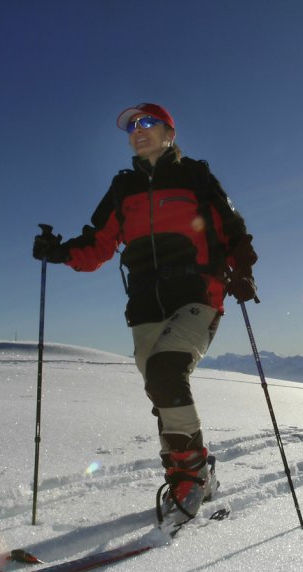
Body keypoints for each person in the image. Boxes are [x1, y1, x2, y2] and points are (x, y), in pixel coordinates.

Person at [32, 102, 258, 530]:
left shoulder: (195, 176)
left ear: (169, 133)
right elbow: (98, 244)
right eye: (132, 126)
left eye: (148, 122)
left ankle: (189, 477)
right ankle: (197, 474)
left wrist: (243, 271)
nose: (138, 130)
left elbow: (231, 228)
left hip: (198, 293)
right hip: (144, 305)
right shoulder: (123, 188)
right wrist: (60, 252)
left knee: (167, 370)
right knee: (162, 389)